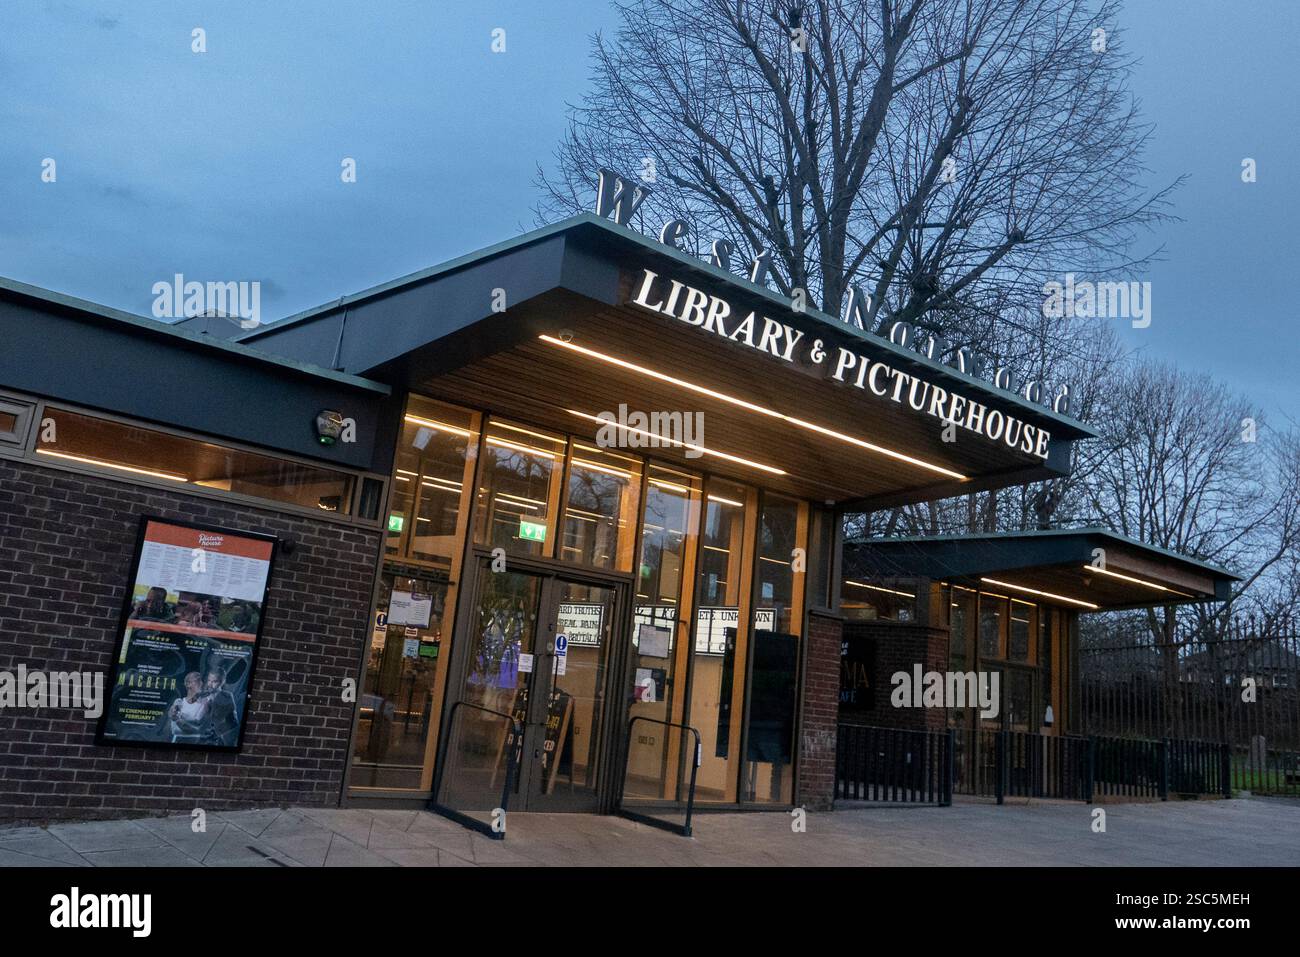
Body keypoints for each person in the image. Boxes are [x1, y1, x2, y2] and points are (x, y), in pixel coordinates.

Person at [199, 666, 240, 746]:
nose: (210, 684)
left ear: (222, 682)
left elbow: (231, 720)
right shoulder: (202, 696)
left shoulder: (227, 696)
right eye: (209, 680)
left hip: (223, 738)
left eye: (214, 681)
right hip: (203, 737)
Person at [167, 672, 207, 743]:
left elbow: (200, 730)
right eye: (197, 680)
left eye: (201, 681)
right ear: (188, 684)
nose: (201, 683)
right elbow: (175, 728)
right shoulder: (179, 702)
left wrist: (178, 720)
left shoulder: (205, 704)